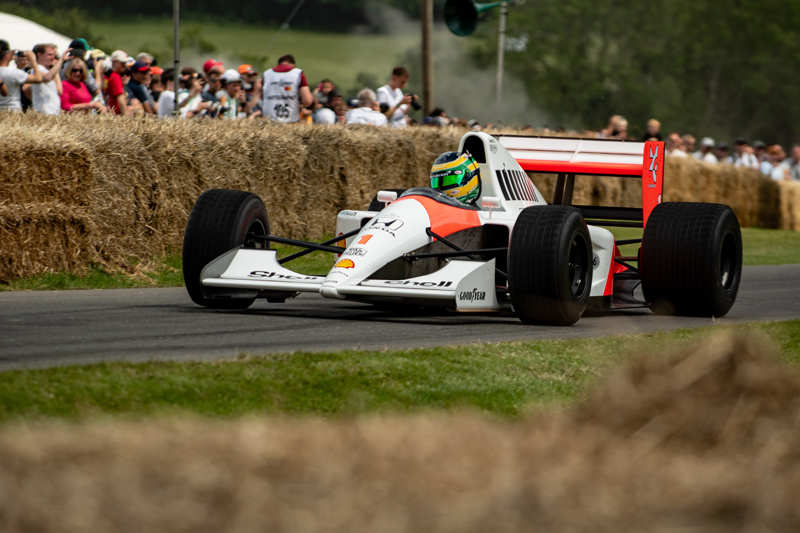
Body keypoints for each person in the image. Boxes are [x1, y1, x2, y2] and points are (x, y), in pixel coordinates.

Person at [262, 54, 313, 123]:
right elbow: (308, 101)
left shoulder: (266, 74)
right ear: (293, 64)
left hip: (269, 120)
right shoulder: (298, 73)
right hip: (291, 119)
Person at [32, 43, 68, 114]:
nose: (53, 57)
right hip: (43, 110)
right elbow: (47, 78)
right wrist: (60, 60)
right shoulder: (37, 68)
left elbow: (59, 91)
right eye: (49, 55)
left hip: (54, 110)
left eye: (54, 55)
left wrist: (55, 69)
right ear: (39, 55)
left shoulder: (49, 71)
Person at [104, 50, 130, 116]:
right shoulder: (116, 77)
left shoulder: (107, 75)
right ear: (114, 62)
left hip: (108, 113)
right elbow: (121, 99)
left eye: (125, 62)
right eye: (122, 62)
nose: (124, 65)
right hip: (115, 114)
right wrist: (125, 118)